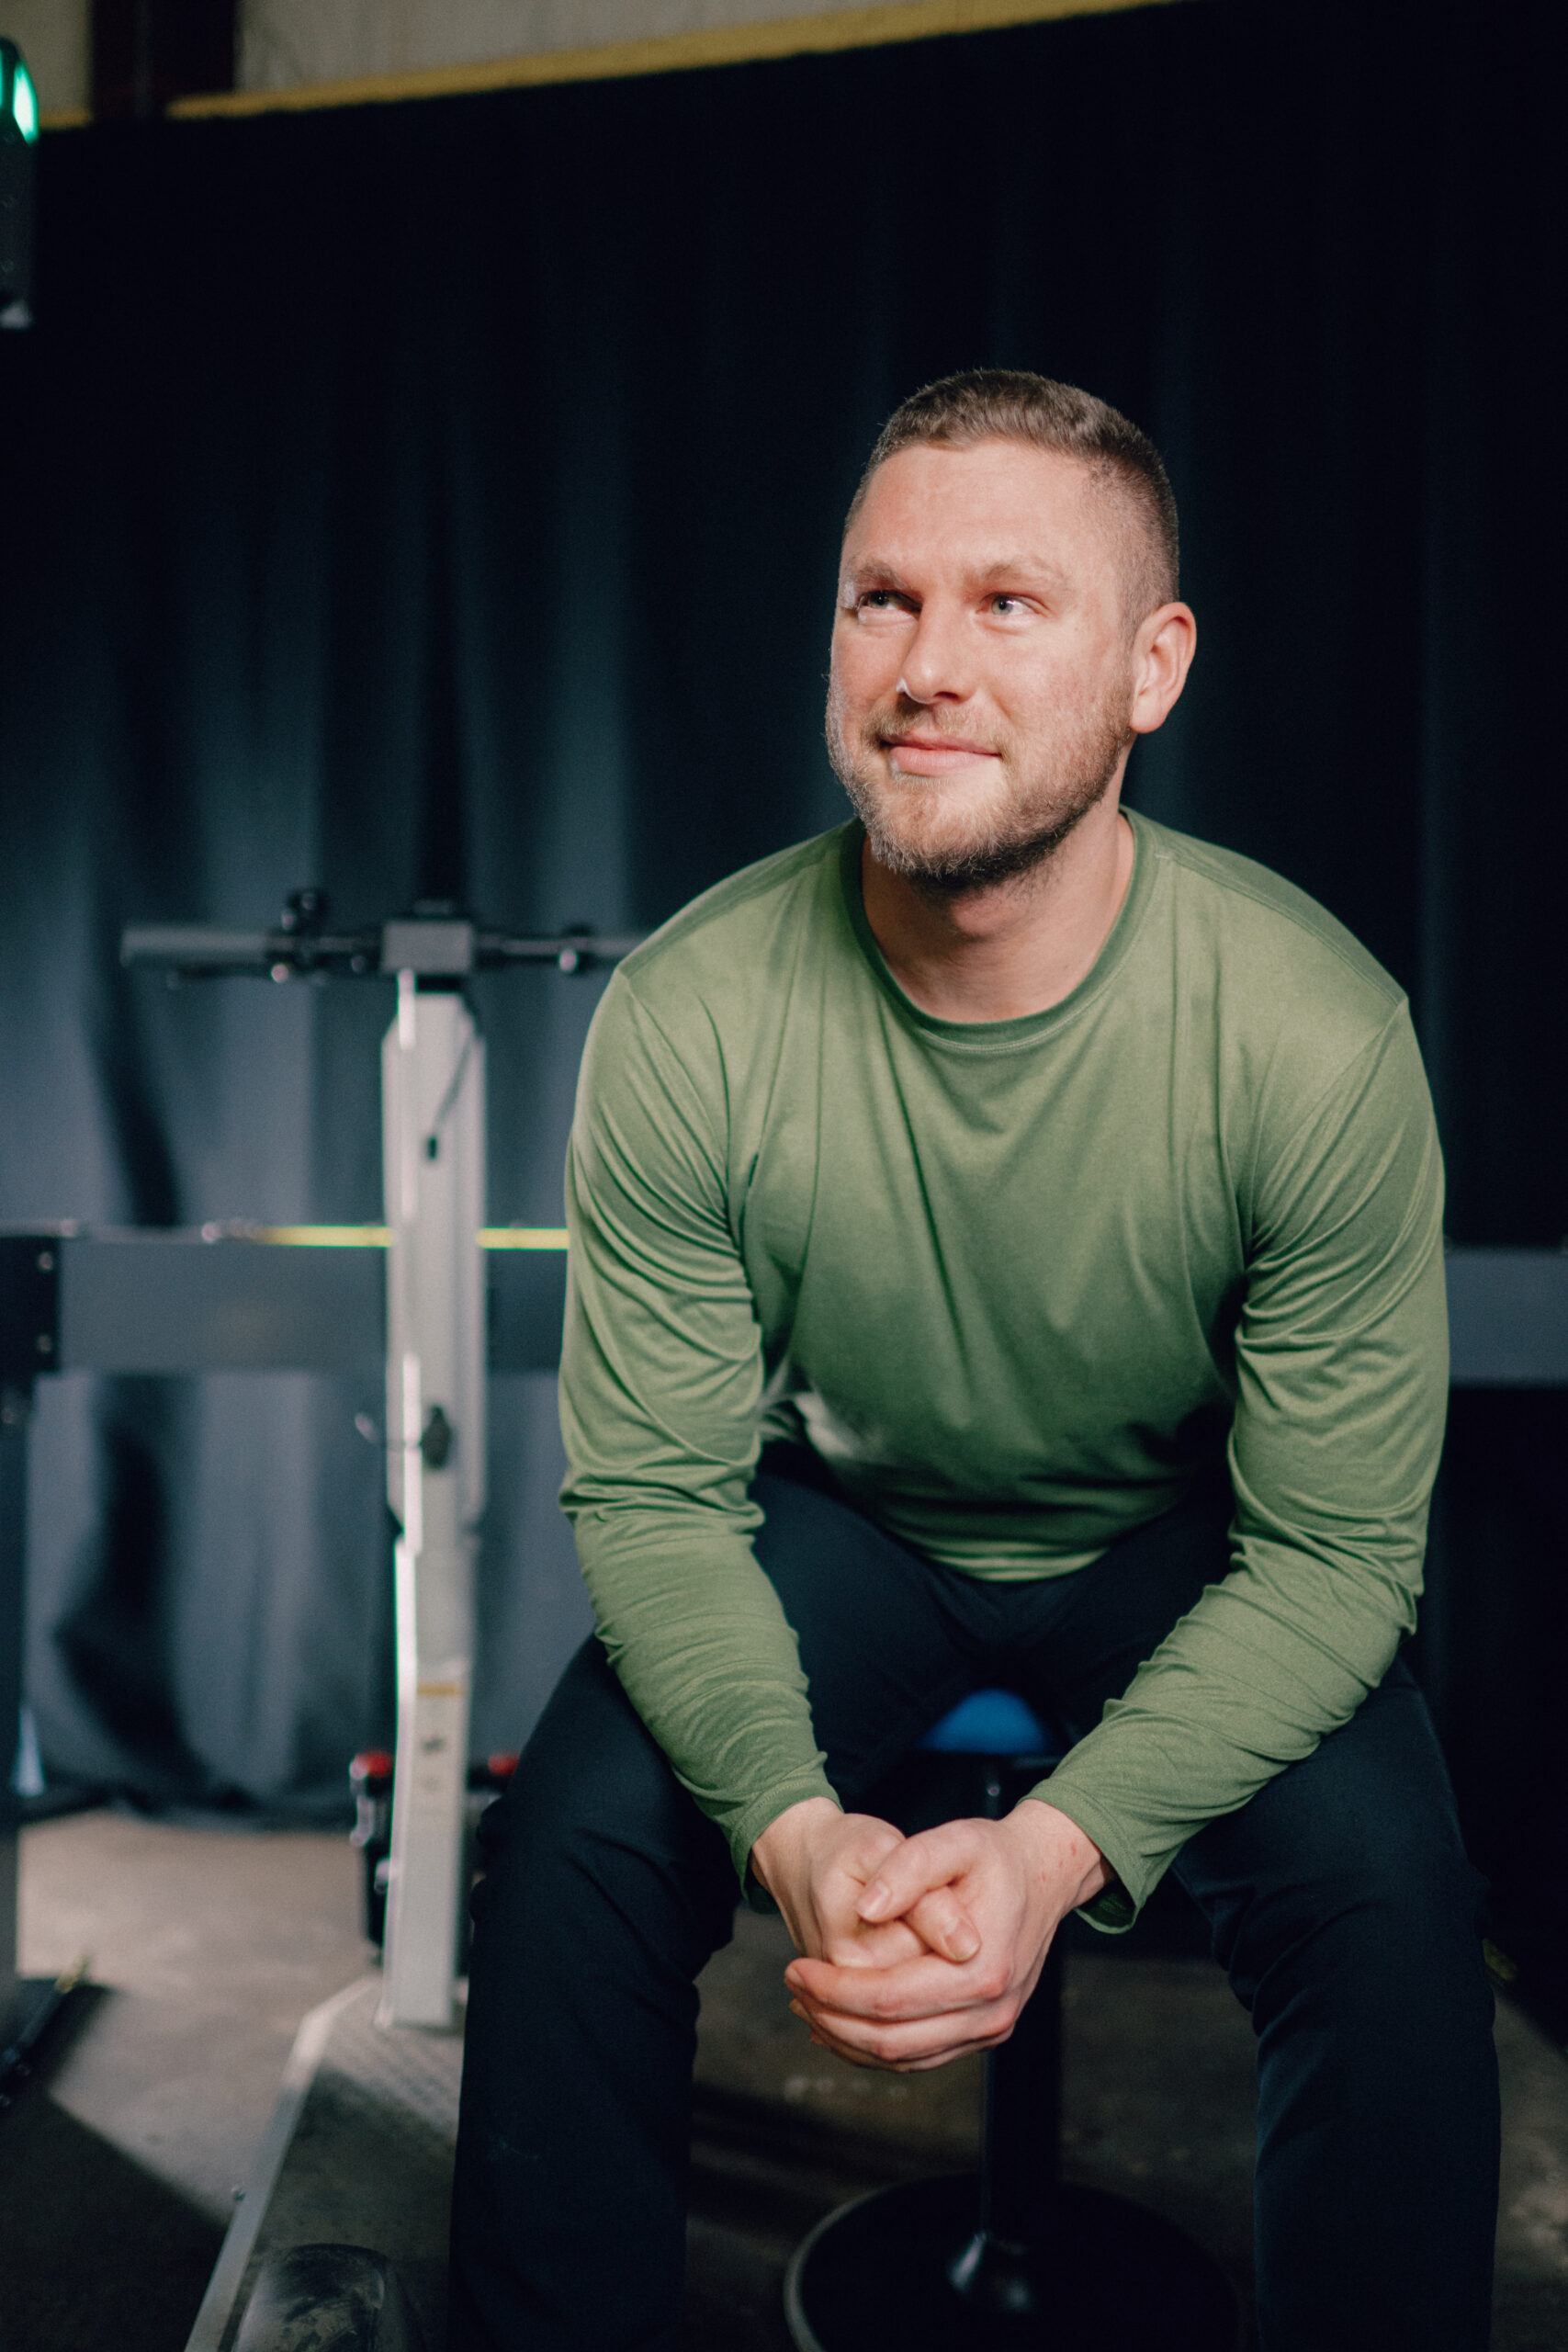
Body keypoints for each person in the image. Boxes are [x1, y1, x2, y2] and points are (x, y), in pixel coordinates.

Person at [449, 371, 1499, 2351]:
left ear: (1148, 664)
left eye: (1006, 603)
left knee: (1382, 1886)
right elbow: (661, 1502)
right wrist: (795, 1819)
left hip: (1188, 1538)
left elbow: (1338, 1561)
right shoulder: (690, 1012)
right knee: (578, 1831)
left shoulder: (1311, 1035)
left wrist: (1043, 1851)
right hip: (846, 1521)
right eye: (880, 599)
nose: (924, 664)